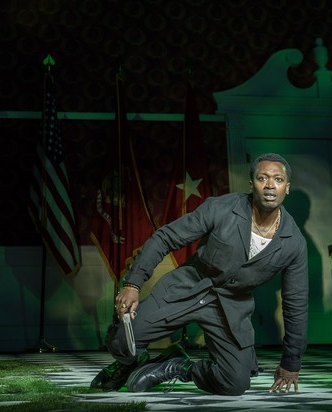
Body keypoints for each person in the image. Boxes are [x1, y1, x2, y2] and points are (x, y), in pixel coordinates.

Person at [90, 153, 309, 395]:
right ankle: (130, 362)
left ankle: (178, 366)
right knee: (122, 338)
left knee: (235, 383)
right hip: (189, 287)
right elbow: (166, 237)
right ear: (252, 184)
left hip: (231, 307)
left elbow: (295, 305)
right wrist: (133, 284)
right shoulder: (222, 208)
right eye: (262, 178)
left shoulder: (294, 244)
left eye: (278, 180)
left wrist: (291, 361)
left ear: (286, 188)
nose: (270, 185)